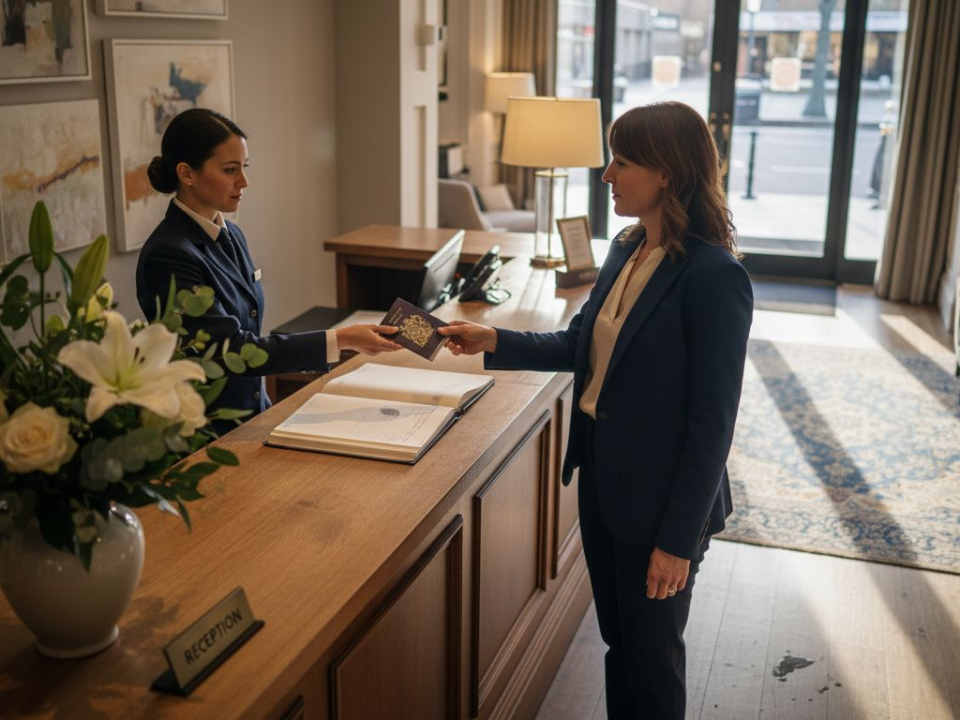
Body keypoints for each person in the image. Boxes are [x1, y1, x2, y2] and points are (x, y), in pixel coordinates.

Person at [438, 101, 753, 720]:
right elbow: (579, 344)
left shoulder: (714, 278)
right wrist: (493, 338)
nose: (607, 175)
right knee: (620, 646)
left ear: (666, 173)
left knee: (651, 664)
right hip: (605, 485)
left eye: (622, 162)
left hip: (662, 507)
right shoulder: (627, 247)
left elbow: (712, 426)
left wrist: (676, 542)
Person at [136, 108, 400, 434]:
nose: (244, 181)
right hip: (206, 433)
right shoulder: (168, 255)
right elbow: (230, 350)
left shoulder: (232, 235)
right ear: (187, 173)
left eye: (244, 167)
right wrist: (341, 339)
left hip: (253, 415)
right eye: (230, 170)